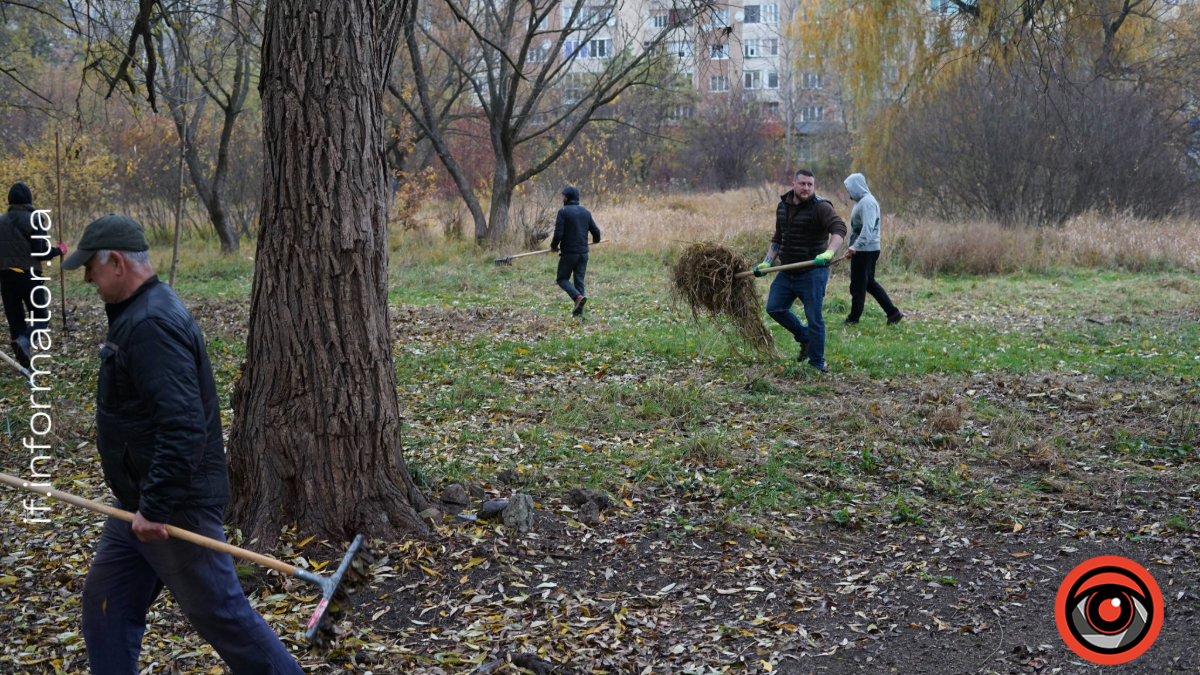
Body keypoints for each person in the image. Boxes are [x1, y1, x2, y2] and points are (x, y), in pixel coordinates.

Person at [61, 215, 303, 675]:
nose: (87, 278)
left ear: (115, 261)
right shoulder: (139, 313)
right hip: (139, 502)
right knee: (107, 602)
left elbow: (183, 425)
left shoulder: (150, 323)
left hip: (172, 505)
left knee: (223, 616)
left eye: (90, 267)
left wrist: (156, 505)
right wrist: (143, 502)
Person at [753, 169, 847, 371]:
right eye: (803, 184)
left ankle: (817, 363)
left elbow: (839, 229)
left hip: (813, 271)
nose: (806, 188)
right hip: (787, 271)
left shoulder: (821, 207)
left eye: (810, 184)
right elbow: (778, 238)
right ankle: (805, 337)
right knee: (774, 308)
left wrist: (829, 253)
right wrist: (768, 261)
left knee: (814, 317)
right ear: (793, 184)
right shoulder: (782, 206)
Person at [0, 182, 66, 367]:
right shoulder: (35, 219)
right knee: (41, 318)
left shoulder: (1, 221)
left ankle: (23, 363)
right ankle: (25, 342)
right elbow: (41, 251)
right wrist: (59, 250)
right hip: (29, 276)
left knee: (16, 320)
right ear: (28, 199)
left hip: (5, 277)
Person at [842, 173, 903, 326]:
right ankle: (893, 313)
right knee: (868, 283)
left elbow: (868, 229)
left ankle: (853, 319)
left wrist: (856, 247)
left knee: (858, 286)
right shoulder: (863, 202)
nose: (848, 193)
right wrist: (852, 248)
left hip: (865, 251)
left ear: (856, 187)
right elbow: (858, 229)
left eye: (849, 189)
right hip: (864, 250)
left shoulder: (867, 203)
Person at [550, 186, 601, 316]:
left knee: (562, 279)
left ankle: (577, 298)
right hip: (583, 254)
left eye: (564, 196)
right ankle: (579, 314)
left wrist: (554, 246)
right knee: (579, 282)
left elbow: (558, 234)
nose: (563, 199)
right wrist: (596, 240)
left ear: (568, 197)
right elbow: (596, 232)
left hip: (569, 254)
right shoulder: (586, 212)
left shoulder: (563, 212)